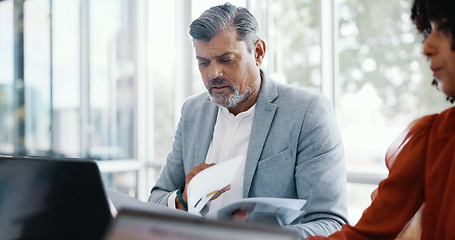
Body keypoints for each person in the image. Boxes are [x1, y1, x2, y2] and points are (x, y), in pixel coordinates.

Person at [148, 3, 348, 238]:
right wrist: (183, 197)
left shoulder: (307, 112)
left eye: (226, 59)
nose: (213, 74)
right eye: (203, 62)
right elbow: (156, 200)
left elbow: (331, 222)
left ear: (259, 52)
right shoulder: (193, 111)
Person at [306, 0, 455, 239]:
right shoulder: (433, 141)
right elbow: (363, 236)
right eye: (429, 30)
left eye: (445, 28)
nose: (426, 47)